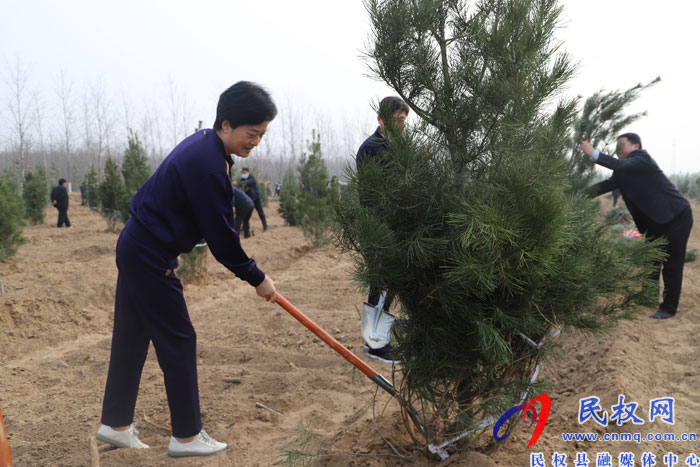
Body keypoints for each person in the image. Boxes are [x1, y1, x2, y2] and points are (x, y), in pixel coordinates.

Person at [96, 81, 278, 458]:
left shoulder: (205, 146)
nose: (255, 141)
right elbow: (223, 242)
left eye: (261, 135)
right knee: (179, 338)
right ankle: (186, 435)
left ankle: (115, 424)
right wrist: (257, 278)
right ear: (227, 124)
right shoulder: (209, 164)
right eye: (251, 133)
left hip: (135, 244)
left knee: (131, 336)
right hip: (149, 255)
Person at [579, 133, 692, 320]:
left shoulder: (642, 159)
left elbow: (620, 165)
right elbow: (606, 185)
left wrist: (593, 153)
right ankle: (648, 298)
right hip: (656, 220)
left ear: (635, 146)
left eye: (621, 144)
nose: (617, 148)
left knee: (672, 264)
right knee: (650, 260)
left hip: (676, 216)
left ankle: (669, 307)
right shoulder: (623, 171)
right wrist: (575, 192)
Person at [355, 96, 410, 363]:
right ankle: (376, 346)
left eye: (404, 121)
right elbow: (374, 193)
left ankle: (373, 342)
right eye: (396, 120)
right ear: (380, 119)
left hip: (393, 225)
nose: (401, 125)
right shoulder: (372, 148)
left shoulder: (395, 147)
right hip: (379, 226)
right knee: (382, 284)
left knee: (385, 285)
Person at [239, 168, 267, 232]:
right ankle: (244, 228)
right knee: (247, 214)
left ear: (248, 172)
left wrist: (244, 182)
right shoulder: (242, 178)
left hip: (256, 198)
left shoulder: (252, 177)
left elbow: (249, 182)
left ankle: (265, 226)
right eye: (242, 173)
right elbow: (241, 183)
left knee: (260, 212)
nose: (243, 174)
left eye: (244, 172)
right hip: (249, 200)